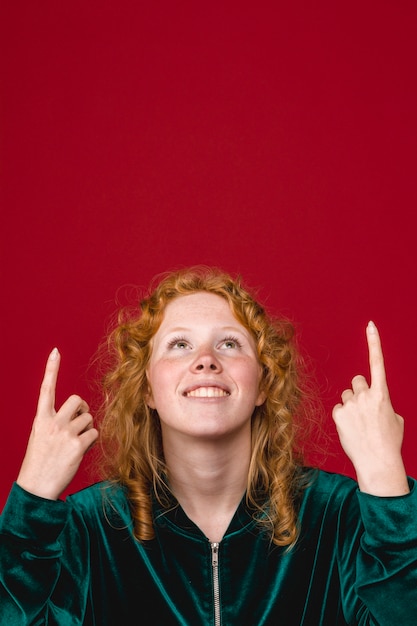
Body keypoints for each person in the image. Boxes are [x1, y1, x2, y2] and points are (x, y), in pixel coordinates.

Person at [0, 265, 416, 625]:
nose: (205, 360)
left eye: (229, 343)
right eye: (179, 345)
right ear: (146, 388)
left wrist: (385, 480)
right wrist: (32, 498)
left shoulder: (340, 516)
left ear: (262, 384)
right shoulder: (89, 528)